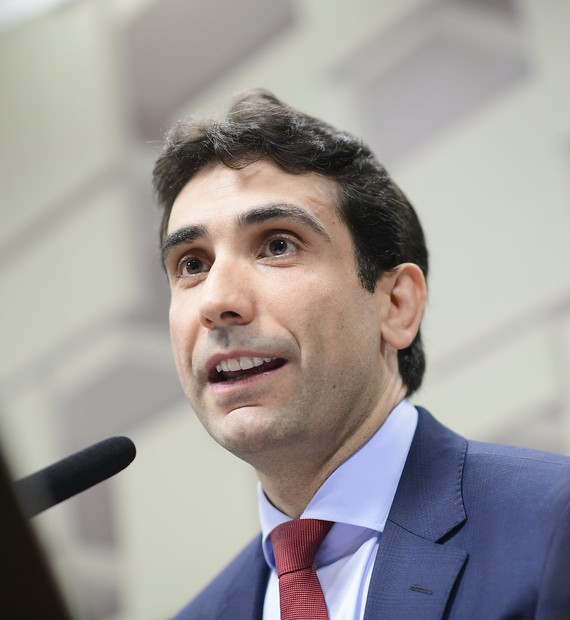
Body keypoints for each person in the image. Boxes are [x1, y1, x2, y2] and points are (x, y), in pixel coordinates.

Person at [152, 90, 570, 620]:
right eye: (192, 264)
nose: (216, 301)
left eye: (277, 245)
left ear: (396, 305)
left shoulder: (552, 526)